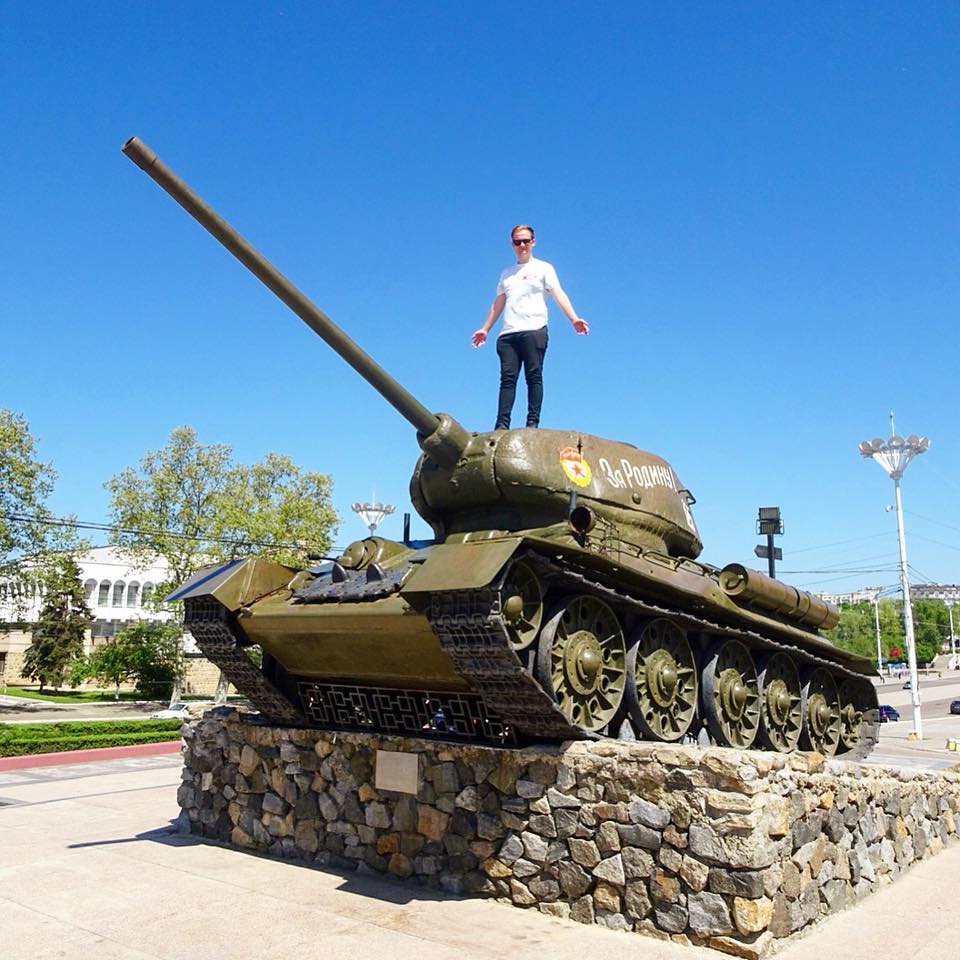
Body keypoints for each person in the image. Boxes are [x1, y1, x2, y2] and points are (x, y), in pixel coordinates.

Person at [472, 224, 588, 429]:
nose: (522, 245)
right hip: (509, 333)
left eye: (526, 241)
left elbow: (558, 293)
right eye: (518, 241)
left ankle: (532, 423)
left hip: (534, 329)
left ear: (533, 242)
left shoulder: (544, 268)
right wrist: (485, 328)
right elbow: (499, 301)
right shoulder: (507, 273)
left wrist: (574, 318)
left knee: (533, 376)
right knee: (507, 379)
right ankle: (501, 425)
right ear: (512, 244)